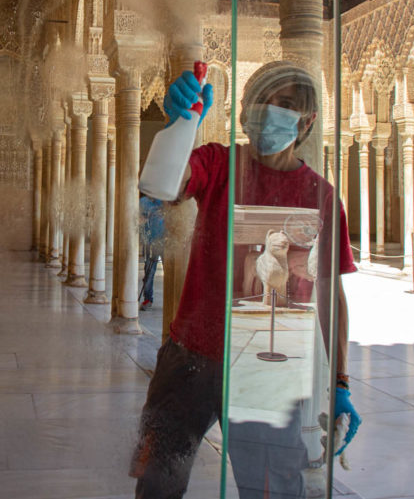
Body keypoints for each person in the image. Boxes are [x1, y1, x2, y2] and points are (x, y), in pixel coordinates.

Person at [130, 61, 362, 499]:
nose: (271, 109)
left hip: (268, 369)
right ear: (243, 110)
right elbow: (168, 183)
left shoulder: (321, 196)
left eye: (286, 103)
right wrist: (181, 125)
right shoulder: (219, 163)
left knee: (271, 490)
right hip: (190, 358)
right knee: (157, 485)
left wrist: (341, 381)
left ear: (307, 120)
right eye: (261, 99)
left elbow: (331, 293)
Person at [139, 195, 166, 311]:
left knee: (169, 272)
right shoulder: (143, 202)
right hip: (150, 242)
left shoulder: (165, 200)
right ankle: (148, 299)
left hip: (165, 242)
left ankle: (171, 299)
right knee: (149, 272)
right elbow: (141, 221)